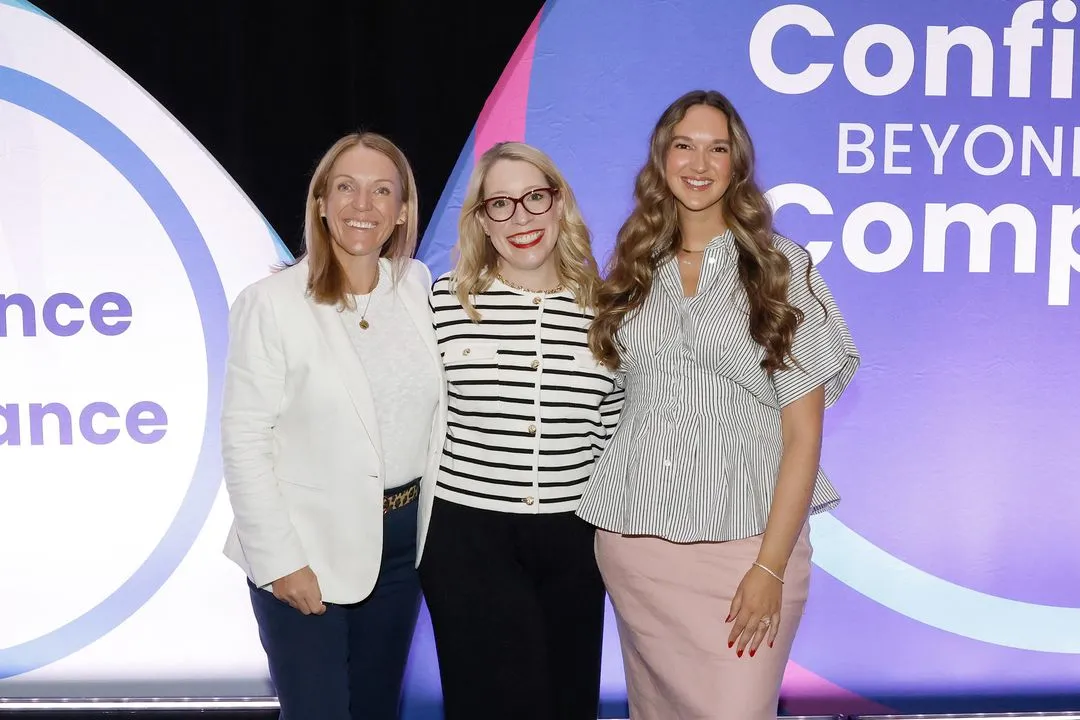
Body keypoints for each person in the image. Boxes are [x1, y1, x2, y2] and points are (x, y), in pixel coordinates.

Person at [577, 90, 860, 720]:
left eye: (717, 148)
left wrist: (770, 567)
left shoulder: (779, 268)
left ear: (738, 165)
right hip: (637, 547)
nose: (699, 163)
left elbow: (803, 437)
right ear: (661, 158)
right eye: (684, 145)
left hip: (748, 550)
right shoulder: (632, 269)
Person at [220, 131, 446, 720]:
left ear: (403, 211)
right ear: (321, 202)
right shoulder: (271, 303)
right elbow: (244, 441)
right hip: (305, 549)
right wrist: (280, 561)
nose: (362, 205)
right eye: (346, 187)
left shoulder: (417, 287)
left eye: (382, 191)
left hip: (402, 551)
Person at [419, 141, 623, 720]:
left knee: (566, 702)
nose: (521, 217)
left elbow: (615, 433)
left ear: (560, 204)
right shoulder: (443, 301)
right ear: (482, 221)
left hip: (574, 540)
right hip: (468, 540)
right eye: (500, 204)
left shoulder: (610, 311)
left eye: (535, 197)